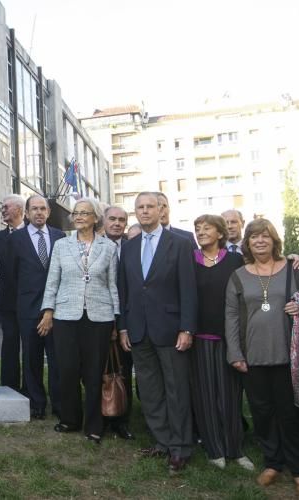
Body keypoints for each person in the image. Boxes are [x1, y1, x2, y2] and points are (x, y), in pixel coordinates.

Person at [225, 218, 299, 497]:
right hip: (253, 356)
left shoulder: (294, 267)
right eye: (254, 237)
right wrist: (235, 353)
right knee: (263, 413)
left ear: (274, 240)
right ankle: (273, 463)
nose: (260, 241)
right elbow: (230, 316)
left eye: (265, 236)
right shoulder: (238, 275)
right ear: (248, 243)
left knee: (294, 413)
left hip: (291, 356)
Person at [117, 191, 197, 472]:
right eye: (140, 207)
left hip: (171, 330)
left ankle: (180, 447)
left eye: (151, 206)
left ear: (162, 209)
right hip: (138, 331)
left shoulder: (181, 243)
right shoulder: (129, 246)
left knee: (176, 390)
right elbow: (124, 290)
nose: (145, 211)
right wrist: (124, 327)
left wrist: (187, 328)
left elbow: (189, 289)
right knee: (149, 391)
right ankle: (162, 441)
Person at [38, 199, 119, 444]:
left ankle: (94, 424)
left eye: (85, 213)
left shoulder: (108, 247)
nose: (80, 216)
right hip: (65, 316)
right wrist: (48, 311)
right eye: (77, 213)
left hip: (99, 317)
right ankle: (70, 418)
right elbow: (53, 280)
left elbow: (112, 284)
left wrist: (115, 319)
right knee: (67, 370)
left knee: (94, 373)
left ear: (96, 218)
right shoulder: (61, 245)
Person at [188, 214, 251, 470]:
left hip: (229, 337)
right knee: (204, 395)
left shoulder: (235, 260)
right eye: (197, 228)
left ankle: (235, 449)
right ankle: (214, 449)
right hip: (198, 339)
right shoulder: (189, 260)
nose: (201, 232)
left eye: (207, 228)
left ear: (220, 233)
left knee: (230, 395)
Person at [8, 195, 65, 420]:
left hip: (58, 309)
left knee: (57, 359)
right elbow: (12, 276)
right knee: (31, 358)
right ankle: (36, 404)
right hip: (28, 309)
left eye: (43, 209)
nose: (39, 213)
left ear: (48, 212)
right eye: (35, 209)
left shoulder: (60, 237)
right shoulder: (16, 239)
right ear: (27, 213)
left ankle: (60, 404)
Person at [102, 206, 134, 440]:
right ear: (103, 221)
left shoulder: (133, 247)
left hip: (129, 317)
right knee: (98, 369)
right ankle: (101, 416)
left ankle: (123, 418)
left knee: (123, 368)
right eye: (112, 219)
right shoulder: (92, 244)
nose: (116, 223)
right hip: (99, 317)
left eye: (121, 220)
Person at [0, 194, 26, 393]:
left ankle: (31, 389)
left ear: (20, 209)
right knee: (10, 344)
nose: (2, 210)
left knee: (32, 347)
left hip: (32, 301)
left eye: (6, 207)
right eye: (2, 208)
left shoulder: (33, 233)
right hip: (8, 302)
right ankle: (10, 388)